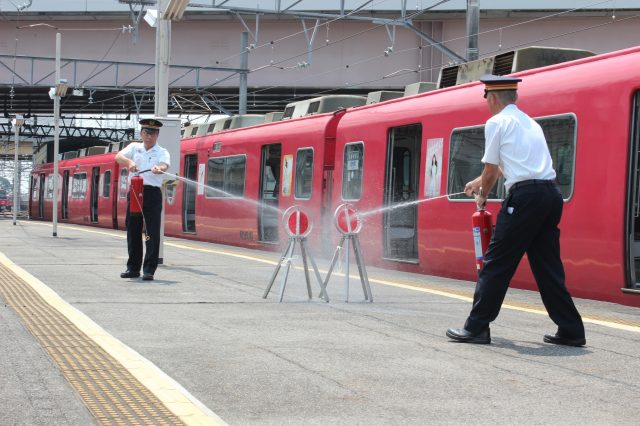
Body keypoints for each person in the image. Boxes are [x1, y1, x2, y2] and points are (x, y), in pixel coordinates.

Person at [446, 75, 586, 347]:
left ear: (493, 98)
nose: (486, 102)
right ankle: (571, 330)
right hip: (549, 195)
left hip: (524, 199)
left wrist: (482, 196)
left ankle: (476, 328)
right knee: (548, 267)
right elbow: (502, 166)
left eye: (486, 97)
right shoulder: (529, 122)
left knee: (496, 263)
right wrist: (478, 183)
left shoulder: (496, 122)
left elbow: (491, 169)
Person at [115, 118, 170, 281]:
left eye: (153, 133)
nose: (149, 136)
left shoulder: (162, 151)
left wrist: (159, 168)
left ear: (157, 135)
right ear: (141, 133)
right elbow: (118, 157)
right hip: (135, 192)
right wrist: (129, 162)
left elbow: (164, 164)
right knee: (133, 231)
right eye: (146, 132)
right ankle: (132, 268)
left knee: (152, 232)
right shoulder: (133, 148)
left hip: (152, 194)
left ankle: (149, 270)